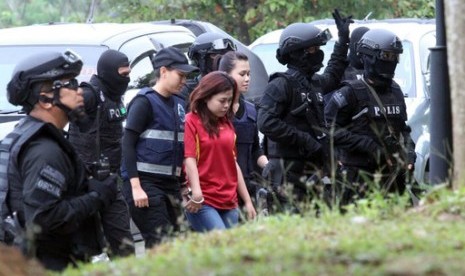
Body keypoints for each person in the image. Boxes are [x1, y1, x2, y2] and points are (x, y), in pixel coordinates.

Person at [0, 50, 118, 271]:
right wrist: (97, 197)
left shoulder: (31, 135)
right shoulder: (44, 150)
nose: (79, 91)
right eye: (70, 84)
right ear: (45, 100)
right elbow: (45, 218)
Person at [256, 10, 353, 211]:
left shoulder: (313, 83)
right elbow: (265, 122)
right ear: (297, 52)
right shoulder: (280, 85)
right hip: (286, 174)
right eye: (312, 49)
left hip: (310, 172)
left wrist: (343, 40)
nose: (318, 53)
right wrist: (305, 140)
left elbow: (333, 73)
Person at [324, 29, 416, 207]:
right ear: (370, 56)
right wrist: (369, 146)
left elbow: (403, 129)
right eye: (386, 55)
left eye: (394, 56)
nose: (391, 61)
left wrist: (410, 154)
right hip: (359, 180)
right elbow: (328, 130)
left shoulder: (395, 91)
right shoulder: (349, 93)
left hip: (392, 179)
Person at [121, 47, 198, 248]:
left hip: (170, 184)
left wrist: (182, 185)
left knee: (180, 240)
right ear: (163, 71)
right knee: (160, 242)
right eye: (180, 75)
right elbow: (127, 144)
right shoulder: (144, 101)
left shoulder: (180, 103)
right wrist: (136, 187)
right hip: (146, 184)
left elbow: (178, 147)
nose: (184, 81)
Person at [68, 49, 134, 257]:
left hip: (111, 182)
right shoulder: (89, 94)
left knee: (124, 248)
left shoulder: (115, 95)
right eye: (122, 74)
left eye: (128, 74)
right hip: (85, 184)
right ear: (107, 72)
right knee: (84, 250)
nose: (127, 79)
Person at [183, 71, 257, 232]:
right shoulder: (191, 121)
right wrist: (196, 193)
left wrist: (248, 201)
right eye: (222, 100)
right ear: (206, 97)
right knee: (223, 243)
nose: (226, 105)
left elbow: (233, 162)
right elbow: (189, 158)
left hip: (229, 199)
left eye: (229, 101)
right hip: (203, 200)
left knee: (229, 251)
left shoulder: (227, 123)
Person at [218, 51, 269, 206]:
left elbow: (255, 149)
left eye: (249, 74)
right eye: (242, 74)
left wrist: (268, 166)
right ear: (226, 75)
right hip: (221, 189)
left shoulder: (251, 110)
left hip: (248, 187)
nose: (247, 79)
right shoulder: (213, 112)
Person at [180, 32, 237, 101]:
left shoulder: (234, 89)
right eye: (214, 55)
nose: (223, 61)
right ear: (201, 59)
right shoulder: (187, 92)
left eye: (227, 56)